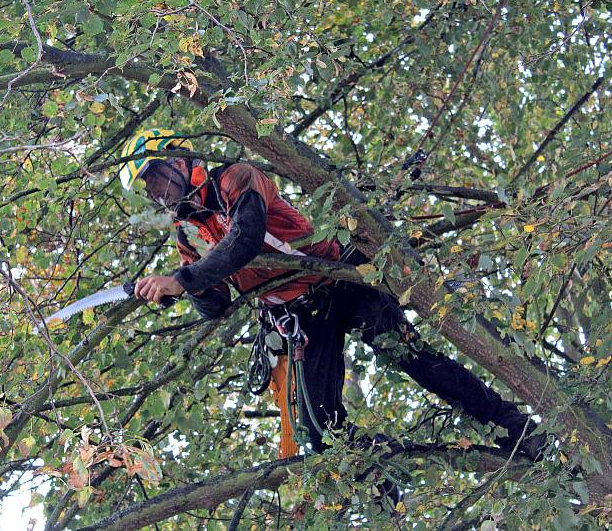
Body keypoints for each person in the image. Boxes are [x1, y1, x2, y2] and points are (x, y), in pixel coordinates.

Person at [118, 129, 544, 459]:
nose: (156, 192)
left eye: (155, 177)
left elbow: (245, 241)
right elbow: (216, 306)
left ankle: (515, 428)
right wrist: (177, 290)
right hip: (301, 319)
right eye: (147, 187)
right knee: (322, 434)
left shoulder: (236, 178)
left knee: (413, 359)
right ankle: (381, 483)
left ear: (177, 158)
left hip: (340, 282)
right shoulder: (188, 232)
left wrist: (184, 277)